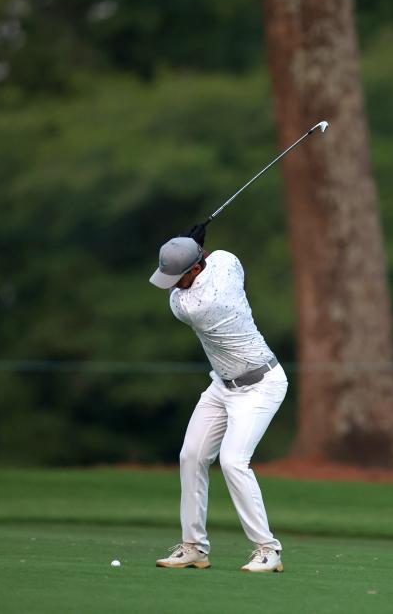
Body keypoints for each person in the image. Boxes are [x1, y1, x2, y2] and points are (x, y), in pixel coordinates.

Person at [150, 224, 286, 573]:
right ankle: (194, 546)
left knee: (232, 461)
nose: (173, 284)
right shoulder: (226, 260)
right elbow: (221, 261)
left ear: (196, 269)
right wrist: (195, 247)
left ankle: (268, 550)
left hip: (261, 384)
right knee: (191, 455)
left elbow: (180, 299)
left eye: (178, 276)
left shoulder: (195, 306)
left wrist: (191, 244)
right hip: (222, 385)